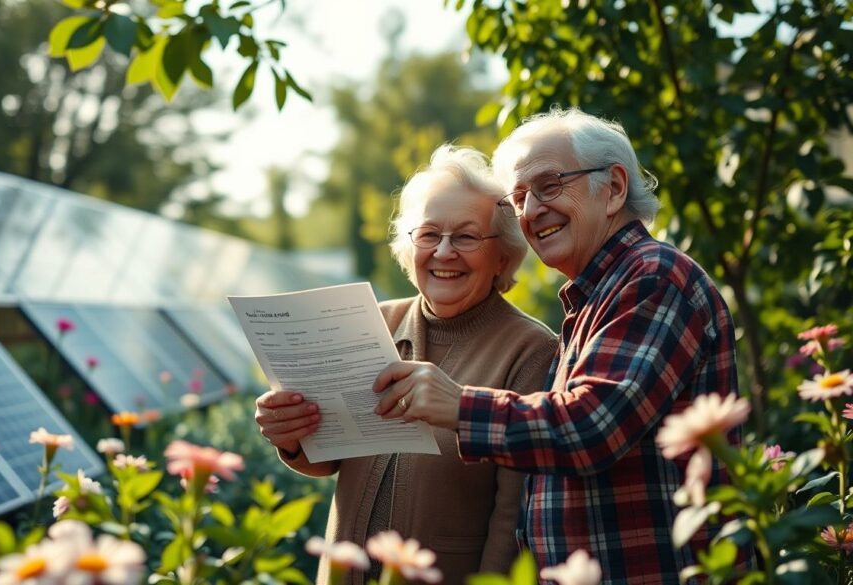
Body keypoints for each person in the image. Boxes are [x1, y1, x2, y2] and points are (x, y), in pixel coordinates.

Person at [373, 108, 745, 582]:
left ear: (612, 188)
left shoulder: (653, 276)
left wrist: (461, 406)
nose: (530, 211)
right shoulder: (598, 293)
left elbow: (593, 425)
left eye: (549, 186)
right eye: (520, 196)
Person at [254, 145, 558, 585]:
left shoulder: (531, 350)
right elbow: (328, 457)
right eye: (429, 234)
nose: (444, 252)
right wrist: (291, 434)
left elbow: (513, 513)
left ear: (504, 258)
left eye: (467, 237)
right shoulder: (371, 320)